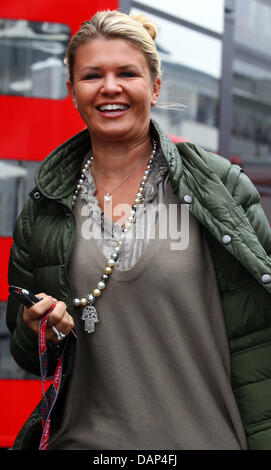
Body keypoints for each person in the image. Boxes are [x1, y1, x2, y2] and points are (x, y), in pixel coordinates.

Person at [6, 10, 271, 451]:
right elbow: (24, 349)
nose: (110, 87)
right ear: (73, 93)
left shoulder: (219, 188)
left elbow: (261, 330)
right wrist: (38, 329)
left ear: (155, 85)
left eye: (127, 72)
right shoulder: (46, 206)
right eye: (92, 75)